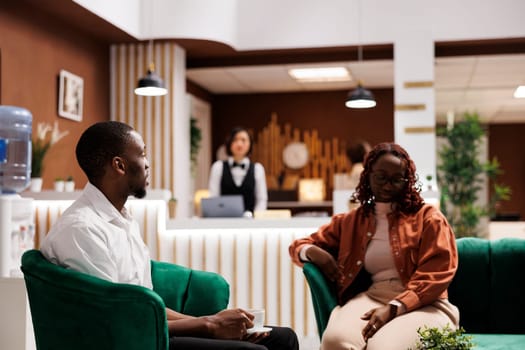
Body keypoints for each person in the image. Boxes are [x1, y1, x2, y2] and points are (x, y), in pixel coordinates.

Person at [40, 121, 298, 350]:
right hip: (131, 341)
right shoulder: (82, 230)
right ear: (119, 165)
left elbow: (147, 306)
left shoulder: (123, 219)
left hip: (144, 329)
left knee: (284, 338)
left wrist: (215, 321)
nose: (148, 163)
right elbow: (122, 318)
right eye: (142, 154)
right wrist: (209, 326)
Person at [289, 142, 459, 350]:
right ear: (368, 176)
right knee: (335, 341)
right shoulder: (352, 221)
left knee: (383, 346)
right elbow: (298, 246)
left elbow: (437, 273)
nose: (388, 186)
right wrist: (313, 252)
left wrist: (395, 307)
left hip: (425, 303)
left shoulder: (429, 218)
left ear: (408, 182)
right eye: (381, 177)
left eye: (397, 179)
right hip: (373, 297)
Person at [208, 127, 267, 215]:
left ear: (250, 144)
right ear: (229, 143)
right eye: (235, 140)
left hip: (251, 222)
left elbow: (261, 200)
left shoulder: (258, 169)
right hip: (224, 220)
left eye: (243, 140)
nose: (239, 144)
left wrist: (256, 218)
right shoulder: (218, 167)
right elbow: (213, 197)